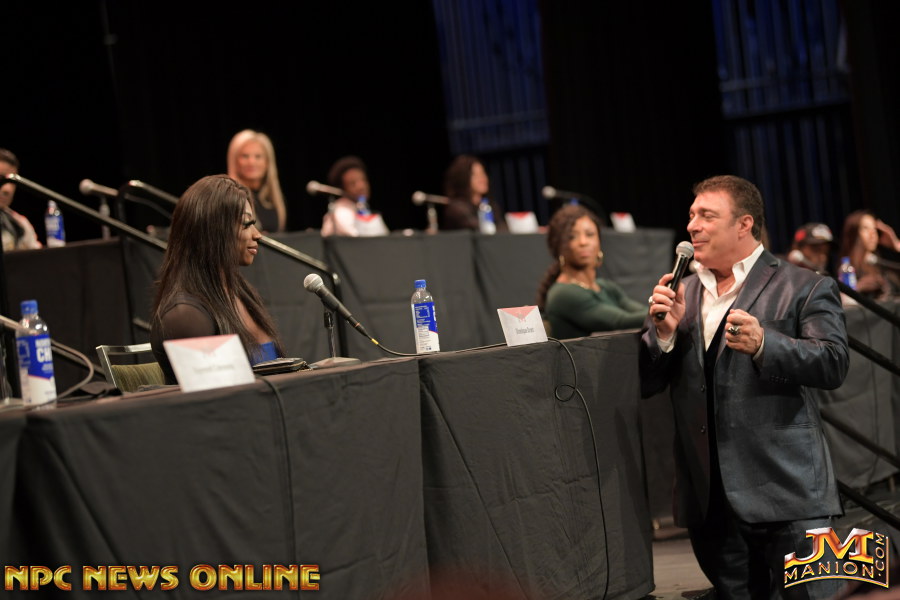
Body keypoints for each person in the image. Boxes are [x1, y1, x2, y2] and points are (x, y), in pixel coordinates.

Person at [641, 175, 849, 599]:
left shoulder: (804, 285)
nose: (693, 225)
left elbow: (833, 363)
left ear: (744, 224)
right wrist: (663, 335)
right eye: (691, 215)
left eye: (706, 215)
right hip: (712, 502)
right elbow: (647, 382)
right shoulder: (680, 292)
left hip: (790, 493)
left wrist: (765, 344)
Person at [150, 175, 285, 385]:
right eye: (246, 224)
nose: (257, 234)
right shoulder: (186, 316)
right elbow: (217, 400)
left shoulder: (240, 292)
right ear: (213, 231)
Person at [536, 203, 645, 337]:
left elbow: (642, 311)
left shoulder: (606, 287)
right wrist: (662, 313)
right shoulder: (563, 293)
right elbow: (620, 322)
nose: (583, 242)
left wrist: (662, 308)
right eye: (572, 237)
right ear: (558, 247)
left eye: (590, 234)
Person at [226, 129, 287, 233]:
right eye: (245, 156)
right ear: (235, 161)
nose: (251, 162)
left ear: (267, 162)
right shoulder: (230, 198)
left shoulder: (272, 198)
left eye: (258, 156)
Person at [837, 209, 900, 298]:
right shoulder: (846, 269)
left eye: (874, 229)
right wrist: (859, 287)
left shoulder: (883, 266)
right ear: (853, 234)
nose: (872, 233)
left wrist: (897, 246)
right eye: (865, 228)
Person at [320, 155, 386, 236]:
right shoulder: (341, 211)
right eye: (353, 183)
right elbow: (356, 240)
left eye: (363, 180)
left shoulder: (363, 208)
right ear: (342, 188)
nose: (361, 186)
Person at [440, 154, 508, 232]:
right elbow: (479, 230)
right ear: (463, 178)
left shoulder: (490, 205)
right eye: (475, 175)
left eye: (482, 173)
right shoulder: (457, 209)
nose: (482, 178)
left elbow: (503, 228)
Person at [0, 148, 41, 251]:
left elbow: (39, 258)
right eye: (1, 179)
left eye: (12, 182)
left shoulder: (21, 224)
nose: (8, 189)